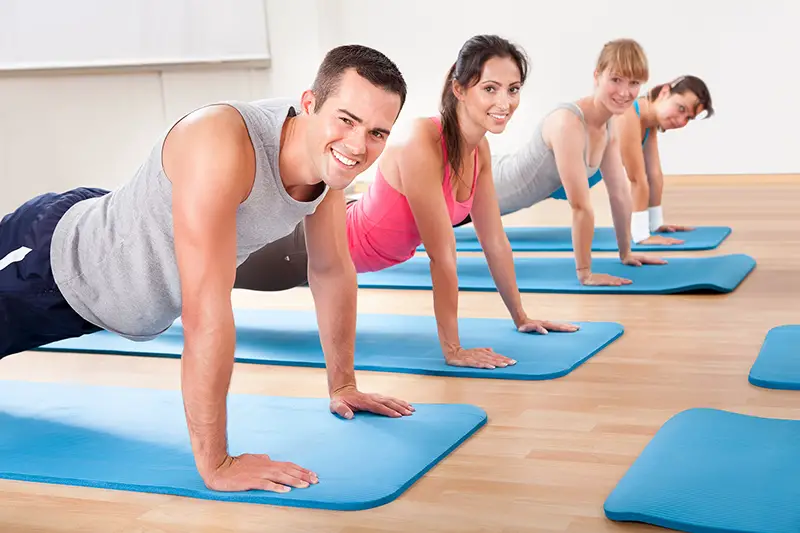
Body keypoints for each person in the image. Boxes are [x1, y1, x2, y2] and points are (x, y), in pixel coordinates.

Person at [0, 44, 415, 494]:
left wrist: (344, 384)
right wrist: (217, 463)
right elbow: (205, 314)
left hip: (94, 262)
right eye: (347, 120)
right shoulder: (221, 143)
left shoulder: (326, 159)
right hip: (56, 267)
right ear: (310, 103)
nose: (358, 145)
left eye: (377, 132)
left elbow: (332, 270)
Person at [235, 34, 580, 371]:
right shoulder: (422, 142)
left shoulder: (480, 151)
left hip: (346, 232)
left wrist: (521, 317)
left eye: (513, 89)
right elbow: (441, 256)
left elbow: (494, 241)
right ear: (459, 89)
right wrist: (453, 349)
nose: (504, 102)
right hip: (303, 249)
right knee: (211, 274)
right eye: (490, 88)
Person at [481, 38, 671, 286]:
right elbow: (580, 206)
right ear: (597, 76)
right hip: (479, 185)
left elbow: (619, 193)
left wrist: (626, 253)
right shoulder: (568, 123)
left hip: (492, 194)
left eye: (634, 83)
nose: (625, 92)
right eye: (616, 80)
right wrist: (585, 273)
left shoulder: (609, 124)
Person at [618, 75, 714, 235]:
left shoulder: (648, 123)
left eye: (688, 118)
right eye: (681, 108)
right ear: (664, 92)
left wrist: (655, 224)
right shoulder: (628, 114)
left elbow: (654, 175)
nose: (681, 120)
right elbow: (637, 179)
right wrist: (641, 234)